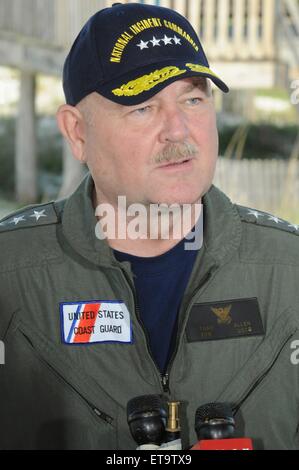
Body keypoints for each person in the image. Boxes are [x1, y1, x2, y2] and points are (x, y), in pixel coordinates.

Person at [0, 2, 299, 451]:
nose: (179, 130)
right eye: (142, 106)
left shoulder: (288, 271)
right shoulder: (11, 275)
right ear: (77, 132)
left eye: (194, 98)